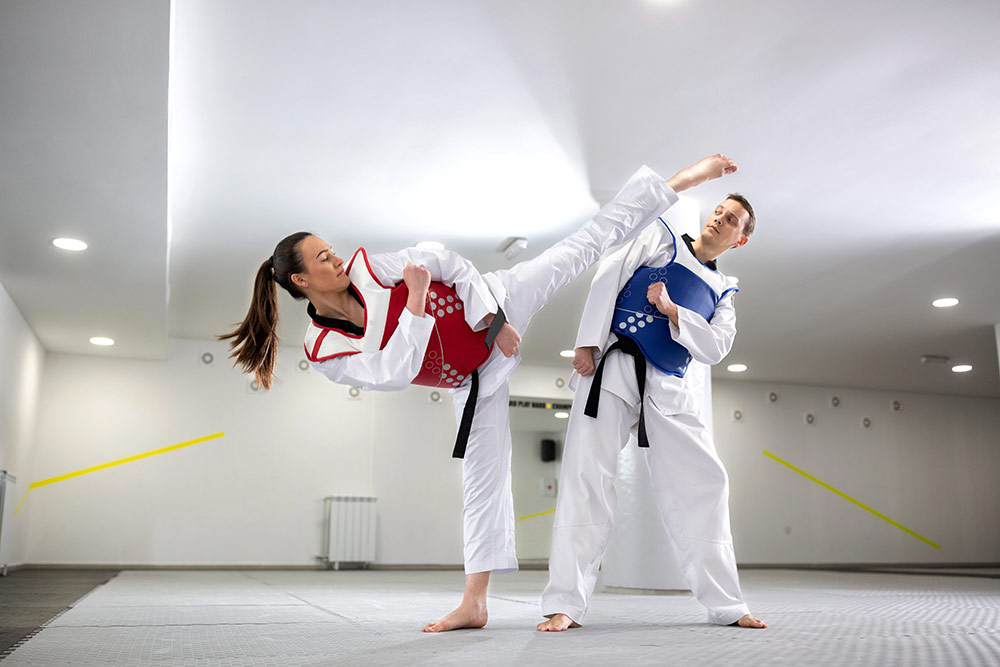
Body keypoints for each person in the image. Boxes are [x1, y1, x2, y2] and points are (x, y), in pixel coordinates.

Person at [220, 155, 740, 632]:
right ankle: (475, 603)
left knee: (587, 243)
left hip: (497, 300)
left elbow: (443, 258)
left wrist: (492, 321)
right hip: (469, 380)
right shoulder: (324, 347)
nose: (336, 260)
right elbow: (393, 372)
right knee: (481, 481)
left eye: (331, 251)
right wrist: (418, 303)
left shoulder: (369, 268)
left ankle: (680, 181)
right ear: (300, 279)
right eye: (323, 259)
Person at [537, 189, 767, 631]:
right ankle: (565, 603)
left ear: (741, 239)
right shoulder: (664, 239)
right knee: (587, 477)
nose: (719, 218)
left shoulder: (725, 291)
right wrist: (589, 342)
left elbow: (716, 347)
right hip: (615, 366)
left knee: (707, 481)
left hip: (668, 384)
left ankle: (727, 604)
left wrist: (672, 309)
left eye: (732, 219)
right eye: (718, 210)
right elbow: (610, 272)